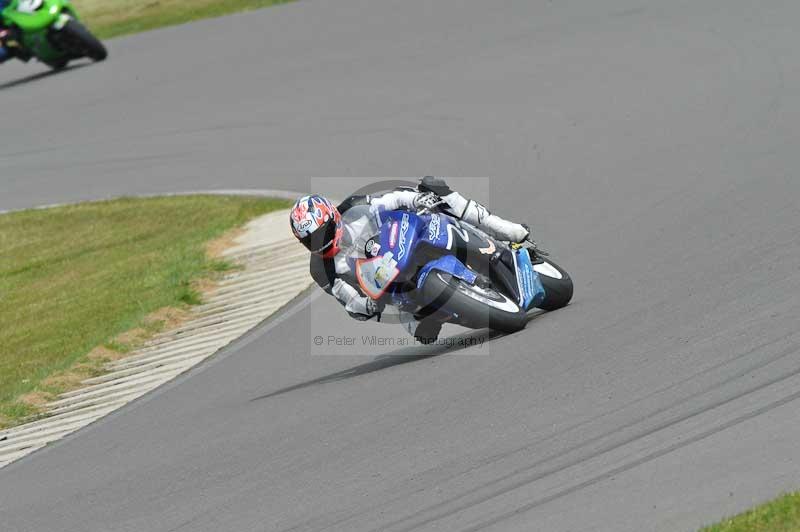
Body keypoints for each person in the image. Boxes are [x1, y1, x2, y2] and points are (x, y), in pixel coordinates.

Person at [290, 177, 530, 343]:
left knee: (438, 191)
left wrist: (417, 201)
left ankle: (506, 230)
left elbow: (391, 201)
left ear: (333, 217)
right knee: (424, 333)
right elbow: (348, 299)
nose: (319, 242)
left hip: (405, 241)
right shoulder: (322, 269)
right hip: (391, 290)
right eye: (310, 241)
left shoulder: (355, 208)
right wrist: (367, 307)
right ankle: (464, 306)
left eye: (322, 233)